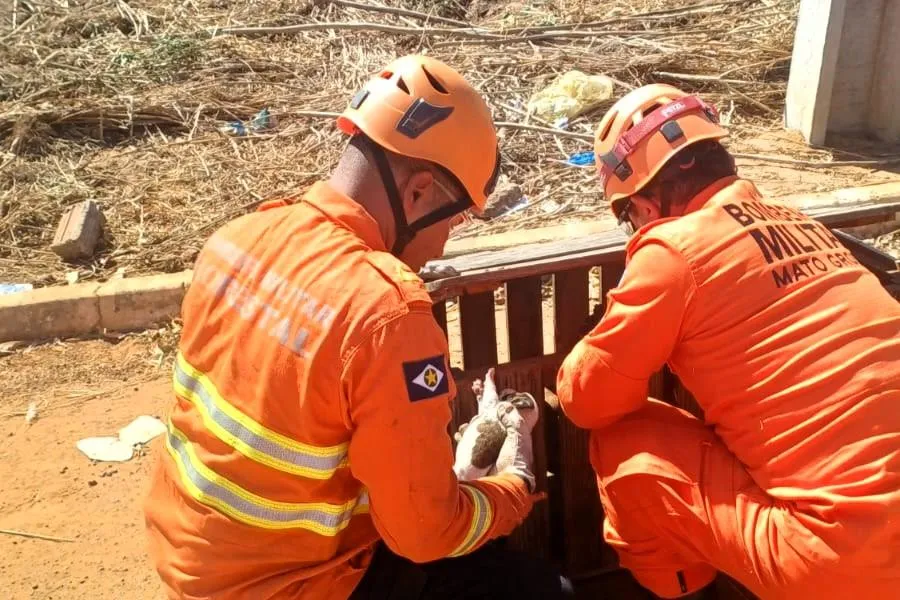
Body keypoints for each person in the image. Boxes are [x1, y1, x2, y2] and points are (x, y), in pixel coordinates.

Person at [144, 55, 573, 600]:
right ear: (417, 192)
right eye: (455, 220)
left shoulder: (239, 238)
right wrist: (514, 485)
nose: (444, 243)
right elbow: (425, 535)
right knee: (542, 591)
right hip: (296, 586)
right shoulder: (386, 314)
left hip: (196, 562)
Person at [556, 83, 900, 599]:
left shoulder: (674, 250)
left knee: (626, 442)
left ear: (646, 206)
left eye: (628, 217)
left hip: (847, 565)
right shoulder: (804, 226)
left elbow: (587, 401)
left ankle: (689, 591)